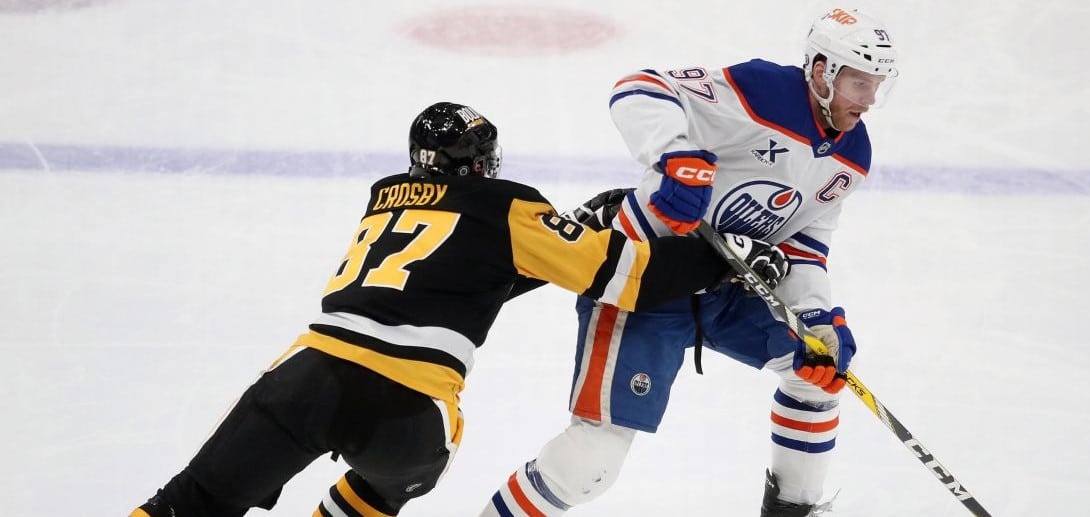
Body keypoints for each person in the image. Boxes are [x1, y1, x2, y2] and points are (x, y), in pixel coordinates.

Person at [130, 101, 790, 517]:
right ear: (479, 163)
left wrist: (575, 227)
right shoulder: (502, 203)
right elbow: (626, 279)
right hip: (408, 411)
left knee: (188, 503)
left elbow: (459, 277)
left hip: (306, 376)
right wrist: (722, 256)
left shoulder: (384, 197)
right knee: (391, 483)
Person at [481, 7, 899, 516]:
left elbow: (804, 242)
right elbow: (638, 89)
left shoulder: (852, 155)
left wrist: (815, 317)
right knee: (593, 460)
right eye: (860, 83)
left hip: (730, 286)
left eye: (877, 84)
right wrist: (675, 156)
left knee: (809, 376)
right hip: (643, 280)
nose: (870, 100)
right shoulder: (763, 91)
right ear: (821, 73)